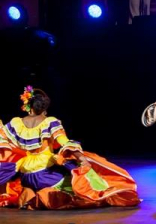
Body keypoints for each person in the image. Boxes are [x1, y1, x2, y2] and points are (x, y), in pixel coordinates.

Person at [0, 87, 140, 209]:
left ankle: (31, 194)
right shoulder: (49, 122)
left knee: (56, 171)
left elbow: (2, 140)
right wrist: (82, 159)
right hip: (44, 173)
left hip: (26, 174)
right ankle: (44, 195)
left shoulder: (16, 123)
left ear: (28, 105)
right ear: (45, 109)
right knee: (81, 183)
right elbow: (64, 142)